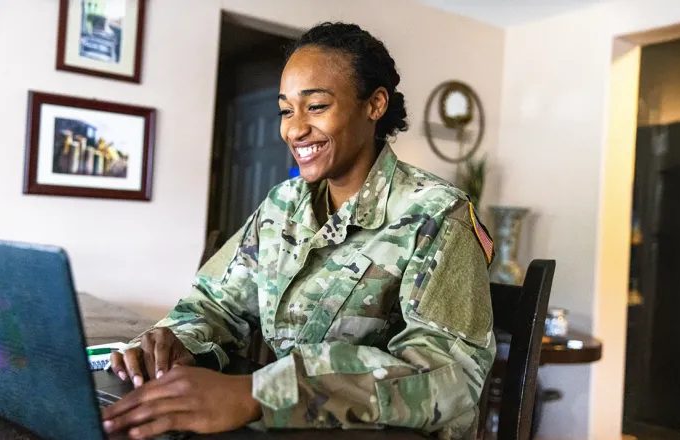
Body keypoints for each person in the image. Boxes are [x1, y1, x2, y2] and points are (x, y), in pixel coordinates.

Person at [102, 21, 496, 440]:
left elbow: (449, 374)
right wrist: (177, 343)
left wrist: (261, 395)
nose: (293, 129)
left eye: (317, 106)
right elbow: (217, 305)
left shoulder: (438, 214)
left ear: (375, 104)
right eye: (286, 110)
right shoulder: (283, 203)